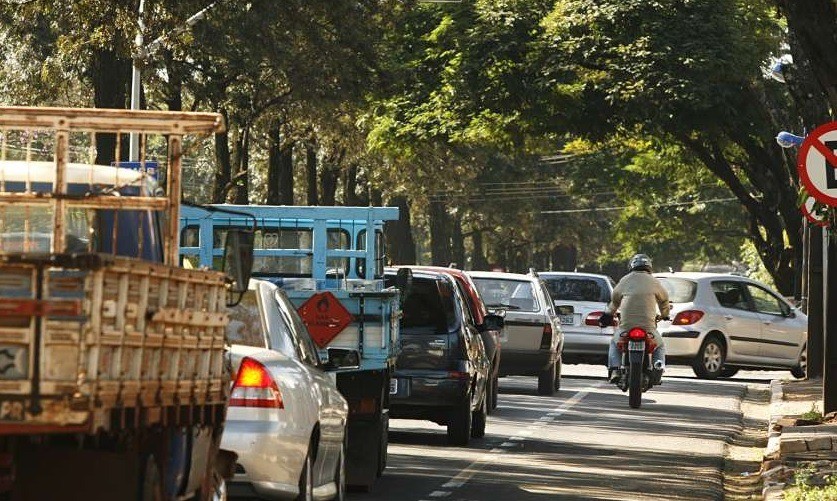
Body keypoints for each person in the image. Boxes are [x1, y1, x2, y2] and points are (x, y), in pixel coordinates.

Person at [599, 254, 670, 383]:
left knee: (614, 343)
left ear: (632, 266)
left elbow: (614, 302)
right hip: (648, 328)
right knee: (659, 346)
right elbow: (664, 301)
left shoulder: (624, 280)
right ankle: (658, 368)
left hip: (626, 327)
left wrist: (608, 315)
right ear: (649, 267)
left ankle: (614, 369)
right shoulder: (655, 282)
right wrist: (665, 315)